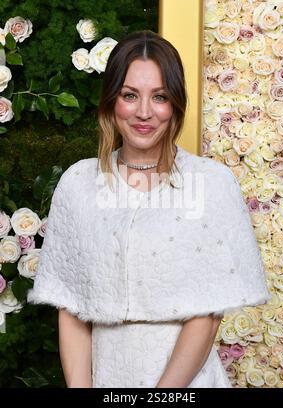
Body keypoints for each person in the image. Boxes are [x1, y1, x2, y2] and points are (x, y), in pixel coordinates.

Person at [28, 30, 270, 388]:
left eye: (159, 97)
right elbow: (72, 310)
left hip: (185, 383)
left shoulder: (211, 183)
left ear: (175, 104)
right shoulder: (78, 184)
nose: (144, 112)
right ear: (111, 101)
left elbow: (207, 313)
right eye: (130, 95)